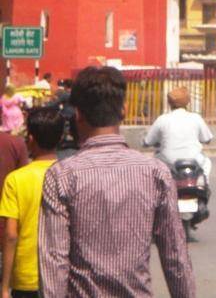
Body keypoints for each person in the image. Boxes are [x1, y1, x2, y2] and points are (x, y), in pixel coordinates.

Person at [38, 66, 194, 297]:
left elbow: (53, 259)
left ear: (78, 114)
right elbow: (175, 255)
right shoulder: (155, 173)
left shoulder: (61, 176)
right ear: (124, 110)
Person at [0, 107, 63, 298]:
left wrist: (4, 286)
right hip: (60, 275)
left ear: (31, 139)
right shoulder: (70, 175)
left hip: (25, 278)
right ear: (60, 139)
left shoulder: (16, 179)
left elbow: (11, 234)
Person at [144, 86, 213, 181]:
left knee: (154, 162)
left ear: (169, 102)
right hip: (194, 159)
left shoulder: (162, 119)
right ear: (188, 102)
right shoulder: (196, 118)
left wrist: (146, 142)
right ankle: (203, 184)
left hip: (168, 161)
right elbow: (207, 139)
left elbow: (147, 142)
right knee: (207, 162)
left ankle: (157, 190)